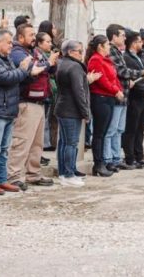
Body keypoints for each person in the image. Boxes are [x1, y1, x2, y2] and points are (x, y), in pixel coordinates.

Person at [0, 30, 40, 195]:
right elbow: (6, 78)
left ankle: (2, 180)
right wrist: (23, 69)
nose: (11, 45)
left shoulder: (7, 60)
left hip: (8, 110)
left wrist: (28, 72)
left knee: (5, 148)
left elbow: (16, 77)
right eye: (8, 42)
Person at [7, 23, 57, 190]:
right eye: (30, 35)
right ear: (20, 37)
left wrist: (48, 64)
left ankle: (33, 174)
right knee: (22, 141)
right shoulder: (17, 52)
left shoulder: (33, 51)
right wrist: (47, 64)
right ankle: (13, 176)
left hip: (40, 102)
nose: (34, 37)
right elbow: (31, 70)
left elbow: (45, 69)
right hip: (26, 102)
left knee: (37, 143)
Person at [106, 24, 144, 171]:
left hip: (124, 96)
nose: (124, 38)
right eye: (122, 35)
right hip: (119, 96)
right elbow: (121, 71)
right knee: (113, 130)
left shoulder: (120, 53)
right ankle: (112, 159)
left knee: (120, 130)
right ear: (114, 37)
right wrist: (140, 74)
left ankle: (116, 158)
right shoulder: (114, 52)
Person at [55, 40, 98, 186]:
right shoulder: (74, 67)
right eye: (79, 51)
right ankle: (68, 174)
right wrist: (86, 112)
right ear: (70, 52)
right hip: (70, 110)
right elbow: (78, 92)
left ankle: (65, 171)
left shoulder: (64, 64)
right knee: (70, 143)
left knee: (64, 142)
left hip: (64, 108)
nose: (82, 53)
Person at [87, 35, 123, 177]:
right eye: (107, 44)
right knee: (99, 133)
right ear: (100, 46)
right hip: (100, 98)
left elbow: (113, 78)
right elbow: (102, 80)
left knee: (104, 131)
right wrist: (115, 90)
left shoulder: (106, 60)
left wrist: (118, 89)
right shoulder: (96, 59)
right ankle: (98, 163)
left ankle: (103, 162)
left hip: (109, 98)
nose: (109, 46)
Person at [122, 31, 144, 168]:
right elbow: (135, 80)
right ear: (134, 43)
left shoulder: (141, 58)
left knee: (141, 129)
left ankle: (139, 155)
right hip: (135, 98)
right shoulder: (127, 58)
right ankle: (130, 157)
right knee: (131, 129)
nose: (142, 44)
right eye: (139, 42)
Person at [36, 31, 59, 156]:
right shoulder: (37, 54)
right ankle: (44, 145)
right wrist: (49, 62)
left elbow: (53, 71)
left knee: (46, 119)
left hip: (48, 91)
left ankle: (45, 144)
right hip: (39, 92)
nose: (50, 44)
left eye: (51, 41)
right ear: (39, 43)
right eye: (47, 42)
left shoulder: (47, 54)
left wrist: (53, 61)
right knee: (42, 121)